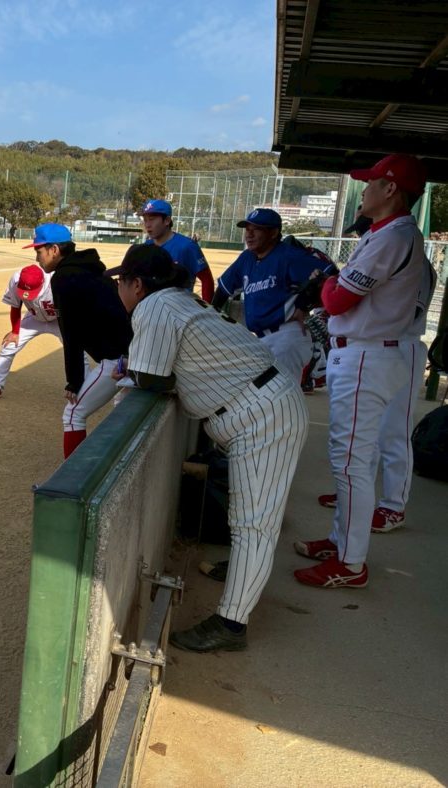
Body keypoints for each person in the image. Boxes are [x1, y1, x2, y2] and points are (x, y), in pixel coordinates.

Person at [108, 244, 307, 652]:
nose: (119, 290)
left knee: (254, 525)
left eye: (121, 282)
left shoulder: (155, 306)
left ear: (137, 284)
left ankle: (231, 625)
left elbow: (150, 377)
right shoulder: (176, 299)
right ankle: (243, 571)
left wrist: (137, 372)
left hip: (263, 413)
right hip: (259, 403)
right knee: (250, 519)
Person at [294, 154, 429, 589]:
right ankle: (341, 543)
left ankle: (351, 564)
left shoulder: (395, 235)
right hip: (365, 353)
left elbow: (336, 300)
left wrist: (328, 284)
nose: (364, 188)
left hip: (369, 355)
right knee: (353, 459)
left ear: (390, 189)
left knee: (351, 461)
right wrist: (333, 285)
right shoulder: (387, 232)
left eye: (371, 182)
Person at [314, 254, 436, 529]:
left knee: (393, 430)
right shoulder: (381, 255)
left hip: (401, 346)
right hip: (373, 348)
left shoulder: (414, 263)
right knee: (363, 431)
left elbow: (409, 314)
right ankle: (357, 495)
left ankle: (393, 506)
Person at [25, 223, 132, 457]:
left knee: (73, 414)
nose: (37, 257)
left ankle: (72, 476)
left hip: (116, 359)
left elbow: (70, 332)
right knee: (125, 412)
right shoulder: (90, 268)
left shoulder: (64, 278)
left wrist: (73, 381)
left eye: (39, 251)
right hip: (133, 353)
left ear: (54, 250)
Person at [211, 208, 336, 382]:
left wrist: (303, 304)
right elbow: (223, 289)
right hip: (262, 339)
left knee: (281, 393)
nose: (249, 234)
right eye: (247, 229)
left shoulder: (288, 256)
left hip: (287, 336)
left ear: (273, 233)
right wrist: (210, 317)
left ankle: (316, 357)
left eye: (257, 229)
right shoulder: (247, 258)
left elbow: (330, 274)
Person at [0, 263, 61, 401]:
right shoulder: (16, 279)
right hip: (34, 318)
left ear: (43, 282)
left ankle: (84, 386)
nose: (27, 295)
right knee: (8, 346)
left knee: (77, 352)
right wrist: (15, 332)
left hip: (59, 320)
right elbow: (15, 306)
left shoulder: (57, 280)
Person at [139, 198, 214, 302]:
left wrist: (207, 308)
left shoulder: (187, 246)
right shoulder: (146, 247)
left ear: (167, 220)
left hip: (180, 307)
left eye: (151, 219)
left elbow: (207, 280)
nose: (147, 225)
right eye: (145, 220)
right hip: (152, 307)